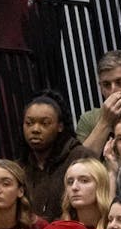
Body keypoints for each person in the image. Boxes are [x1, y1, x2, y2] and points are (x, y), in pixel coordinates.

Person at [19, 92, 98, 220]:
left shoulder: (81, 157)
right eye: (29, 123)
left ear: (60, 126)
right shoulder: (19, 167)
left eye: (44, 123)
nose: (35, 129)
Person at [60, 156, 114, 229]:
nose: (74, 187)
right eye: (70, 182)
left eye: (84, 181)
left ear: (101, 185)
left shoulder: (114, 227)